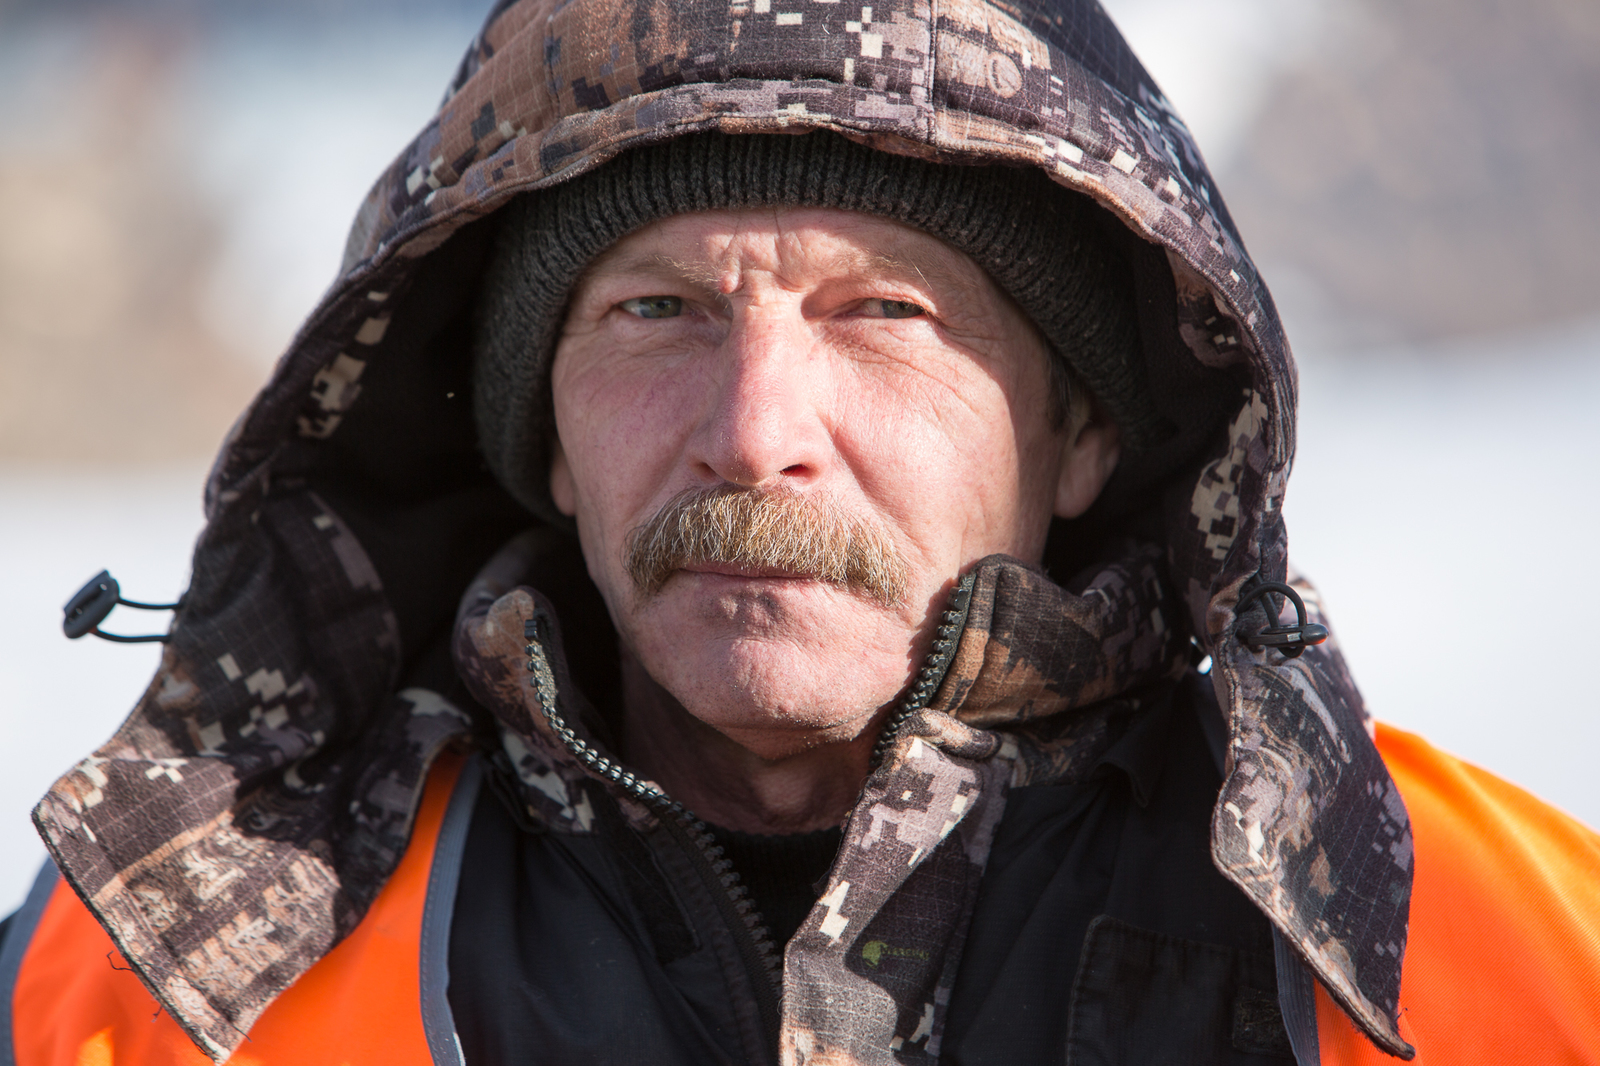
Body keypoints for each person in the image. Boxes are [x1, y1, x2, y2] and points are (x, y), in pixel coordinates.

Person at [3, 0, 1597, 1063]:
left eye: (884, 312)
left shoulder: (1505, 958)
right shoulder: (137, 992)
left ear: (1083, 430)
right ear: (540, 434)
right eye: (654, 312)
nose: (756, 427)